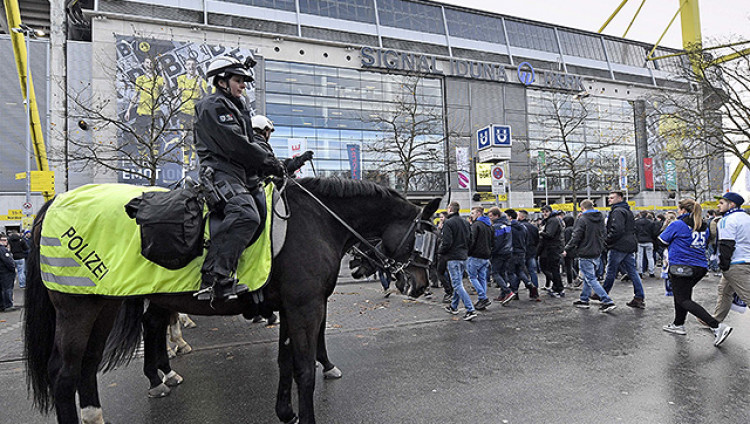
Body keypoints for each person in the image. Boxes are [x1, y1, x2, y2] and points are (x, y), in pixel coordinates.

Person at [194, 56, 286, 301]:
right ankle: (214, 279)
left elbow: (251, 142)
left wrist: (275, 165)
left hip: (239, 174)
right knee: (246, 214)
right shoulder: (213, 105)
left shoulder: (237, 106)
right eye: (238, 80)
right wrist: (268, 162)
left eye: (244, 81)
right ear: (222, 81)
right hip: (221, 172)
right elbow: (237, 145)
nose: (243, 86)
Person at [658, 199, 732, 346]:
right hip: (699, 266)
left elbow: (661, 241)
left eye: (679, 209)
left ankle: (716, 326)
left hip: (681, 266)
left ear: (684, 210)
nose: (678, 212)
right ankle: (678, 324)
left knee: (683, 299)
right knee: (683, 296)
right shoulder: (703, 226)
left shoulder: (678, 224)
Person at [564, 200, 616, 312]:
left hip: (585, 251)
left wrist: (567, 248)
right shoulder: (600, 218)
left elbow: (576, 236)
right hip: (597, 251)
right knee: (589, 277)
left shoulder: (582, 219)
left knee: (591, 278)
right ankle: (584, 299)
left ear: (582, 208)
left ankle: (606, 300)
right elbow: (604, 234)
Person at [600, 191, 645, 308]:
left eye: (612, 198)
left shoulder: (617, 211)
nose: (609, 200)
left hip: (618, 245)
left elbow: (617, 229)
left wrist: (607, 240)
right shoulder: (627, 210)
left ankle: (603, 295)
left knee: (611, 270)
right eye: (609, 198)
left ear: (619, 198)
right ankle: (639, 297)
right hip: (629, 244)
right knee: (632, 271)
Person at [712, 192, 750, 324]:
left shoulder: (727, 220)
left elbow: (726, 244)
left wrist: (723, 265)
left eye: (722, 203)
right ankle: (715, 321)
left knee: (747, 295)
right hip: (745, 260)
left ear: (731, 204)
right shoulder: (747, 217)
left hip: (735, 264)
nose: (718, 205)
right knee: (724, 291)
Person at [440, 202, 477, 321]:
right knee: (459, 282)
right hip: (463, 256)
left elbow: (447, 242)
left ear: (450, 209)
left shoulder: (448, 223)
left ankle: (470, 309)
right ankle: (453, 306)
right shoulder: (466, 222)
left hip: (452, 257)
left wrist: (440, 251)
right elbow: (471, 240)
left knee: (457, 284)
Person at [505, 209, 535, 300]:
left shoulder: (508, 228)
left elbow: (501, 237)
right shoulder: (523, 227)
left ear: (509, 217)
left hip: (512, 252)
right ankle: (529, 284)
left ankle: (514, 292)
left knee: (511, 272)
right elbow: (527, 239)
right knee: (520, 271)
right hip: (522, 252)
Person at [467, 207, 492, 311]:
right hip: (486, 255)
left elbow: (471, 240)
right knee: (482, 278)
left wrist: (468, 252)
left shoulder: (476, 225)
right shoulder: (489, 225)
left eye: (472, 213)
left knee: (472, 277)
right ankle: (482, 299)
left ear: (478, 213)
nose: (471, 215)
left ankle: (483, 297)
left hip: (476, 255)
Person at [488, 208, 514, 304]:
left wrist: (492, 252)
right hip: (508, 251)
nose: (490, 218)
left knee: (495, 273)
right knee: (503, 273)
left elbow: (497, 242)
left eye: (491, 216)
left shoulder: (497, 227)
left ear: (496, 216)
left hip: (499, 253)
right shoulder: (507, 225)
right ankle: (503, 295)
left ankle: (508, 291)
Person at [538, 205, 565, 297]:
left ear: (550, 212)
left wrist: (541, 232)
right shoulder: (552, 220)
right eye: (543, 212)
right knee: (553, 269)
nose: (544, 213)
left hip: (552, 248)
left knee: (553, 269)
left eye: (546, 212)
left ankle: (558, 288)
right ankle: (556, 287)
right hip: (553, 247)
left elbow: (550, 234)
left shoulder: (552, 221)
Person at [518, 210, 540, 293]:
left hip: (522, 252)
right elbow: (537, 240)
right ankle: (535, 290)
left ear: (521, 217)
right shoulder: (534, 227)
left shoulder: (519, 227)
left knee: (518, 271)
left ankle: (515, 291)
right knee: (532, 272)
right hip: (531, 252)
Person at [634, 211, 657, 278]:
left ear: (640, 215)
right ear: (647, 215)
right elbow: (654, 232)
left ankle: (640, 272)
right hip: (649, 240)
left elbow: (635, 231)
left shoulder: (636, 222)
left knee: (639, 257)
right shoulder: (651, 222)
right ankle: (651, 272)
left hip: (639, 241)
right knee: (650, 257)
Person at [0, 234, 17, 312]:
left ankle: (3, 305)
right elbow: (8, 261)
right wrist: (13, 268)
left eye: (6, 240)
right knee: (7, 289)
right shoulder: (2, 249)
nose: (6, 241)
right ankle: (8, 305)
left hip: (2, 272)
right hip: (5, 272)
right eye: (3, 240)